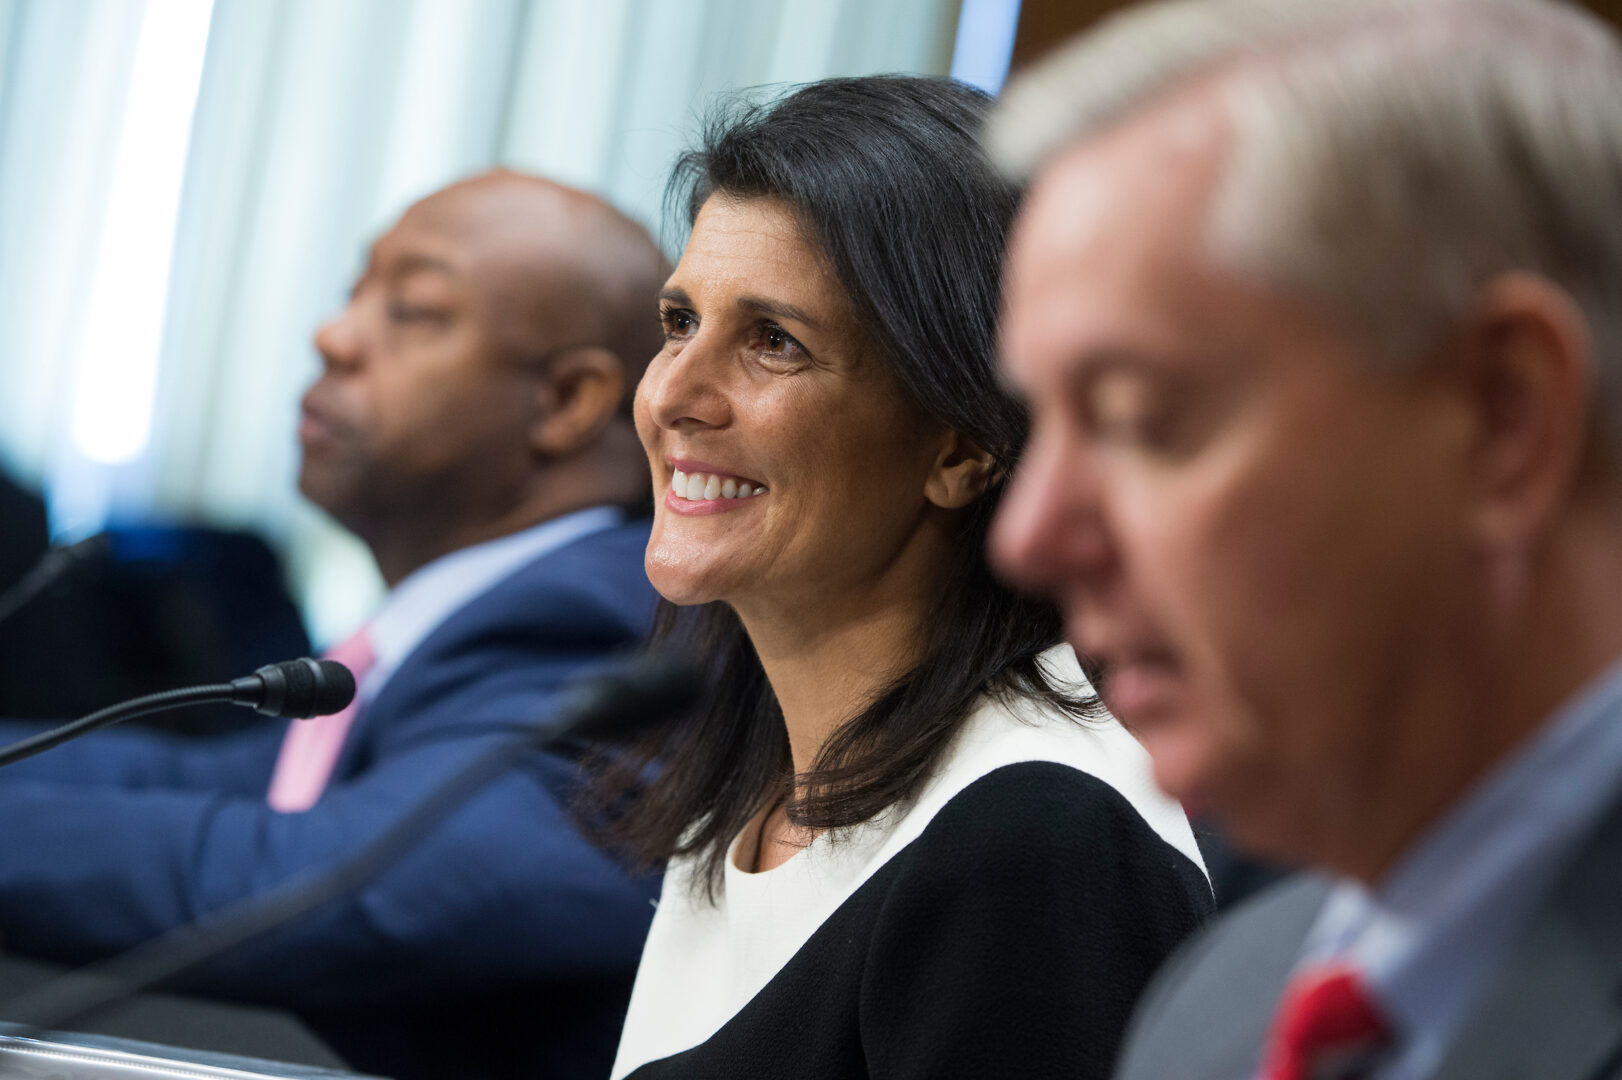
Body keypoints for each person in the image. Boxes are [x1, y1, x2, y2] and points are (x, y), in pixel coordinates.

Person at [985, 1, 1622, 1078]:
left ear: (1501, 415)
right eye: (1039, 424)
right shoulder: (1218, 1002)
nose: (1028, 537)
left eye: (1141, 419)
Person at [593, 76, 1212, 1080]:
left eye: (771, 343)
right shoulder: (749, 788)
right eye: (676, 322)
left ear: (965, 443)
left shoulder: (1036, 844)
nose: (672, 395)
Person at [0, 170, 669, 1080]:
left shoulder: (612, 626)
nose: (333, 335)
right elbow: (213, 782)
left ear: (567, 402)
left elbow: (341, 881)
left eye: (414, 309)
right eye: (356, 292)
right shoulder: (477, 618)